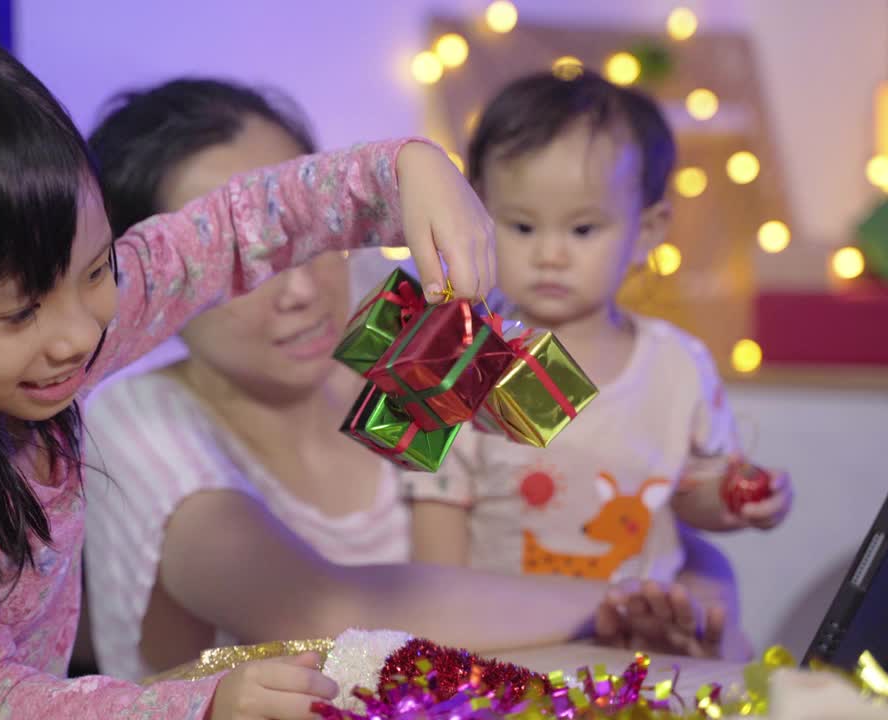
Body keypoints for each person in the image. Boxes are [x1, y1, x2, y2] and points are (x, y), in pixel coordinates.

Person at [0, 27, 496, 718]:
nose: (81, 335)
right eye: (18, 314)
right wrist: (197, 703)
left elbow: (233, 228)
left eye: (98, 269)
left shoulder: (55, 333)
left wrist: (405, 169)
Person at [81, 77, 741, 681]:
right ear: (158, 287)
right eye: (243, 267)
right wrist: (627, 600)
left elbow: (598, 484)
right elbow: (320, 609)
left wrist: (702, 578)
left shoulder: (387, 317)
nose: (302, 290)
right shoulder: (138, 417)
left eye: (306, 239)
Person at [405, 71, 794, 660]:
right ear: (477, 216)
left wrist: (745, 502)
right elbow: (436, 536)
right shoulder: (458, 352)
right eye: (521, 226)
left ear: (647, 232)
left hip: (651, 655)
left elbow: (694, 491)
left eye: (584, 228)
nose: (550, 254)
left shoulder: (678, 365)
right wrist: (440, 650)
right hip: (509, 653)